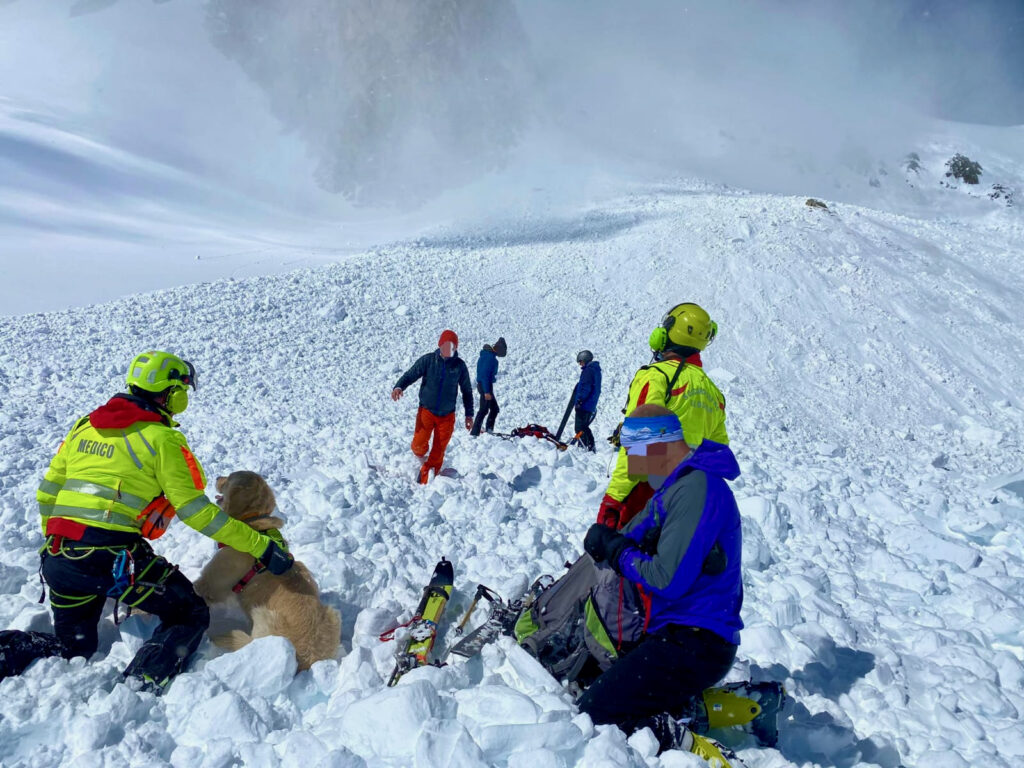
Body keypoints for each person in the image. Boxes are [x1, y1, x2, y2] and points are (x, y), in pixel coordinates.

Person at [3, 351, 294, 691]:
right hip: (113, 560)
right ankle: (140, 688)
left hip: (59, 558)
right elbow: (196, 511)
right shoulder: (162, 439)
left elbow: (46, 495)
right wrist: (260, 546)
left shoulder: (84, 427)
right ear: (171, 393)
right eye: (182, 388)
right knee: (189, 613)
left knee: (74, 648)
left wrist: (62, 546)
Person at [579, 404, 742, 762]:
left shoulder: (696, 488)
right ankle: (690, 707)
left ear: (656, 446)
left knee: (593, 715)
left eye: (633, 453)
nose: (632, 465)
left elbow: (666, 580)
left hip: (694, 642)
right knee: (601, 685)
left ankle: (686, 742)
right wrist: (614, 540)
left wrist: (619, 552)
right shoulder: (677, 487)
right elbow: (639, 539)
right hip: (682, 636)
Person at [598, 302, 728, 530]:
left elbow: (638, 453)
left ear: (667, 334)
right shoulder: (715, 395)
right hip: (690, 501)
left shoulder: (656, 377)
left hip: (646, 499)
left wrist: (613, 501)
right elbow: (717, 458)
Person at [392, 330, 474, 483]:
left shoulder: (459, 366)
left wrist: (469, 415)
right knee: (418, 445)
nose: (448, 349)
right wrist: (399, 387)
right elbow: (411, 374)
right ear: (440, 345)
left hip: (447, 416)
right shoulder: (428, 360)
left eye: (452, 346)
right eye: (445, 345)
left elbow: (467, 391)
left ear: (455, 348)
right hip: (427, 412)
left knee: (438, 450)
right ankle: (420, 457)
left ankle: (426, 476)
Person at [470, 337, 507, 436]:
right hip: (485, 386)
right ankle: (475, 432)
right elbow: (485, 375)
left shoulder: (486, 356)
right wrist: (486, 392)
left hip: (483, 385)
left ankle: (487, 430)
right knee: (485, 410)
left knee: (493, 408)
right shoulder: (490, 358)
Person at [573, 350, 602, 452]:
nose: (580, 364)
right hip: (589, 404)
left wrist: (580, 400)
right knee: (584, 426)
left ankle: (585, 448)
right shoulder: (595, 370)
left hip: (584, 404)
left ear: (585, 360)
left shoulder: (588, 371)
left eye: (580, 361)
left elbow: (585, 387)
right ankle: (590, 446)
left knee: (579, 427)